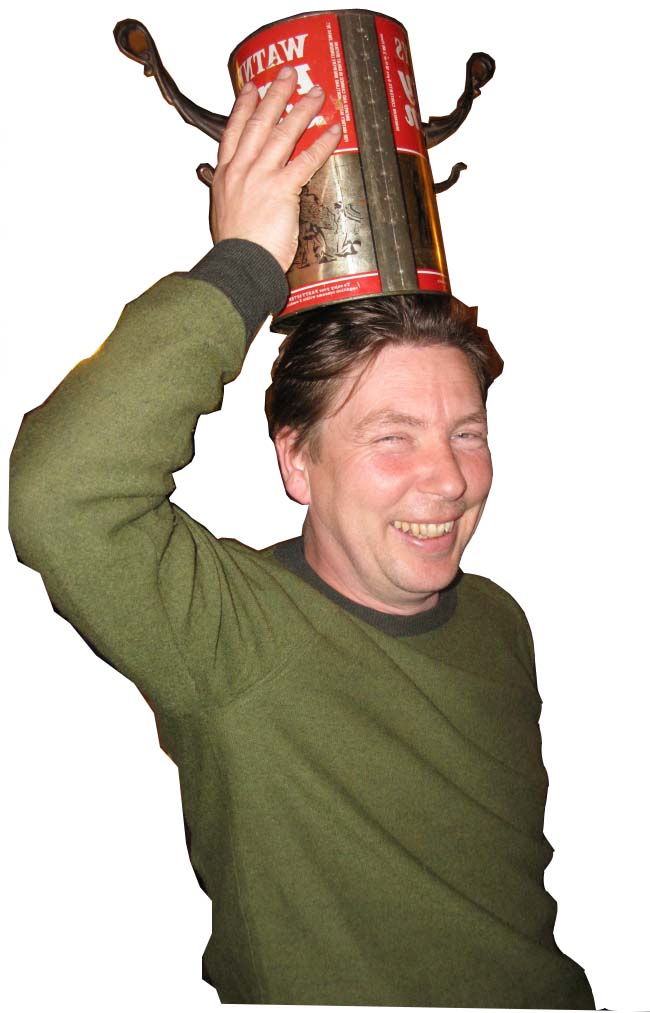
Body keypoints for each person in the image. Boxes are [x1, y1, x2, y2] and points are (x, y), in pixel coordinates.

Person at [9, 68, 593, 1007]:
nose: (448, 478)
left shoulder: (499, 621)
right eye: (392, 436)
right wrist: (244, 262)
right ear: (297, 463)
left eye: (465, 433)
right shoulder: (231, 635)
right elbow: (63, 493)